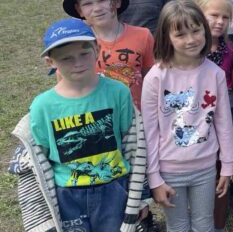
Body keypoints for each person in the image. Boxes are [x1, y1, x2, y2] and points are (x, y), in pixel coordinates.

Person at [23, 18, 146, 231]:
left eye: (84, 54)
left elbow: (133, 145)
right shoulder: (42, 106)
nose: (78, 63)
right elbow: (39, 158)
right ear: (50, 62)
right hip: (68, 196)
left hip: (114, 189)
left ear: (97, 49)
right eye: (66, 58)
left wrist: (140, 196)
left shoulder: (118, 92)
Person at [141, 0, 233, 231]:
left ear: (205, 29)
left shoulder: (215, 73)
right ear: (166, 37)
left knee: (204, 224)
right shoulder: (155, 77)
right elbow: (149, 131)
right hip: (169, 169)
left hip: (205, 167)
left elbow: (224, 123)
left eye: (195, 31)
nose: (191, 39)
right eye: (180, 34)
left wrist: (227, 166)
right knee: (178, 226)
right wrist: (154, 177)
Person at [63, 0, 154, 110]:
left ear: (116, 1)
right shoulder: (73, 44)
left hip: (136, 118)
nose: (97, 8)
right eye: (87, 4)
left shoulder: (143, 36)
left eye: (102, 0)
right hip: (95, 117)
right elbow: (66, 87)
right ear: (79, 10)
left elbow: (152, 82)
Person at [195, 0, 233, 231]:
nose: (220, 21)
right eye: (213, 15)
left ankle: (218, 223)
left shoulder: (231, 50)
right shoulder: (189, 49)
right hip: (195, 119)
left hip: (224, 116)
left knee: (220, 171)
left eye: (225, 17)